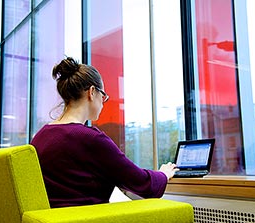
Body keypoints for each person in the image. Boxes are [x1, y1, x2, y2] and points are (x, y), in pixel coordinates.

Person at [31, 57, 179, 208]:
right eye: (103, 96)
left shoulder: (40, 136)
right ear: (92, 92)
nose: (103, 102)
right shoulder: (90, 139)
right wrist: (164, 174)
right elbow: (144, 184)